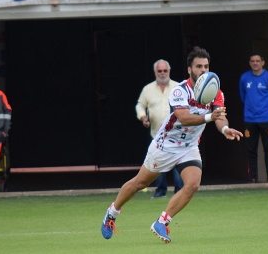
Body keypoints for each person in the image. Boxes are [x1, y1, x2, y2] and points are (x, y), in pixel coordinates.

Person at [101, 46, 243, 244]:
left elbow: (219, 117)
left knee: (192, 184)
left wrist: (224, 129)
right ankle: (112, 212)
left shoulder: (215, 92)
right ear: (189, 69)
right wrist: (211, 117)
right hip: (165, 145)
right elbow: (184, 118)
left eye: (206, 66)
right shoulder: (180, 90)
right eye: (198, 66)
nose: (203, 70)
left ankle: (162, 221)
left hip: (189, 147)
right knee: (140, 183)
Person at [135, 59, 183, 199]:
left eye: (165, 71)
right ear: (155, 72)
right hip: (157, 134)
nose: (162, 73)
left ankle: (179, 192)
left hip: (176, 134)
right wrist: (143, 116)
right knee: (157, 163)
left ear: (169, 71)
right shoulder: (147, 89)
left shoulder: (178, 87)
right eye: (159, 71)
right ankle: (160, 191)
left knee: (177, 163)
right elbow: (140, 105)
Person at [239, 53, 268, 184]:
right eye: (252, 61)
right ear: (250, 63)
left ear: (263, 62)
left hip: (266, 119)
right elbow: (242, 96)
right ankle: (252, 178)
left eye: (257, 61)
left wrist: (266, 110)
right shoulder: (244, 78)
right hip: (250, 119)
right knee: (251, 150)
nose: (255, 63)